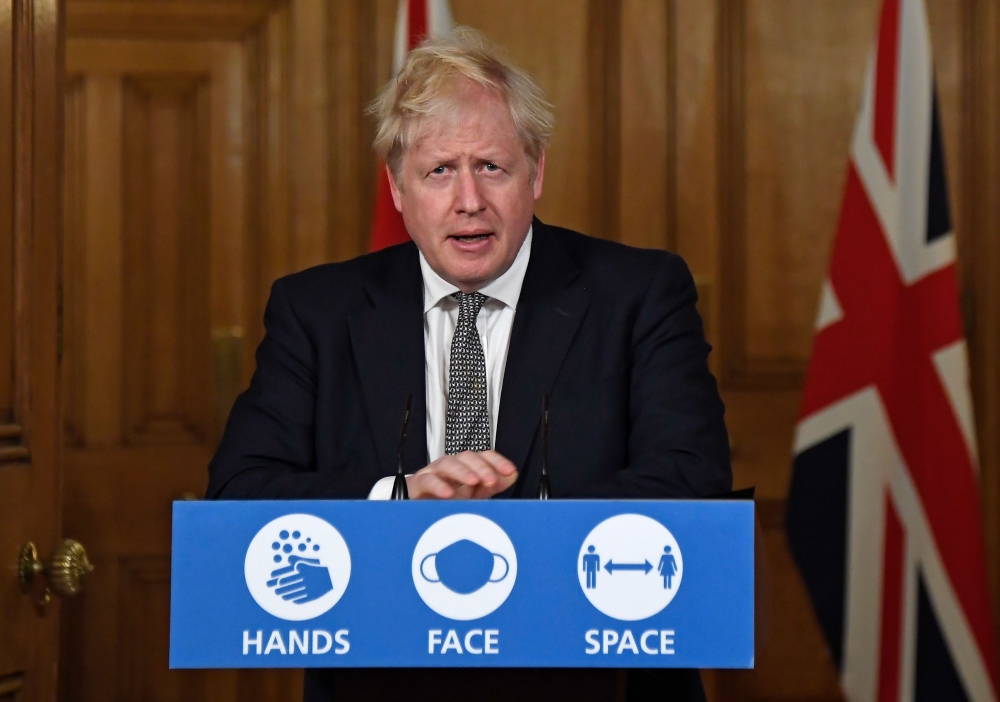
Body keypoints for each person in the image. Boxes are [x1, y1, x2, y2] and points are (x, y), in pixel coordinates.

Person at [208, 27, 730, 702]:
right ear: (397, 188)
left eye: (490, 166)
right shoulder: (317, 310)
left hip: (594, 681)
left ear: (536, 173)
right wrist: (399, 502)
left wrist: (509, 532)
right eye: (438, 171)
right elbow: (238, 498)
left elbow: (693, 482)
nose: (468, 202)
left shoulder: (639, 294)